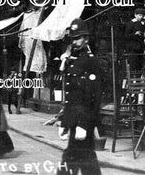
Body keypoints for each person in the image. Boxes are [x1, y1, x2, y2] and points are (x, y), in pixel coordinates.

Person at [57, 18, 102, 175]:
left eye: (78, 38)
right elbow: (70, 96)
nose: (74, 42)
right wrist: (65, 122)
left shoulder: (92, 62)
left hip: (84, 122)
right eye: (73, 39)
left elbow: (94, 98)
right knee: (84, 159)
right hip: (74, 120)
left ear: (86, 39)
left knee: (77, 158)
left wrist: (84, 124)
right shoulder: (72, 61)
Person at [124, 8, 145, 72]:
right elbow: (126, 36)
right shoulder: (130, 23)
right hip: (132, 48)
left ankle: (138, 79)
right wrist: (135, 34)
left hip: (140, 48)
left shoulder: (142, 24)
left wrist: (144, 35)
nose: (141, 17)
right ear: (135, 15)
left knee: (139, 66)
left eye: (142, 15)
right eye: (139, 15)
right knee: (133, 65)